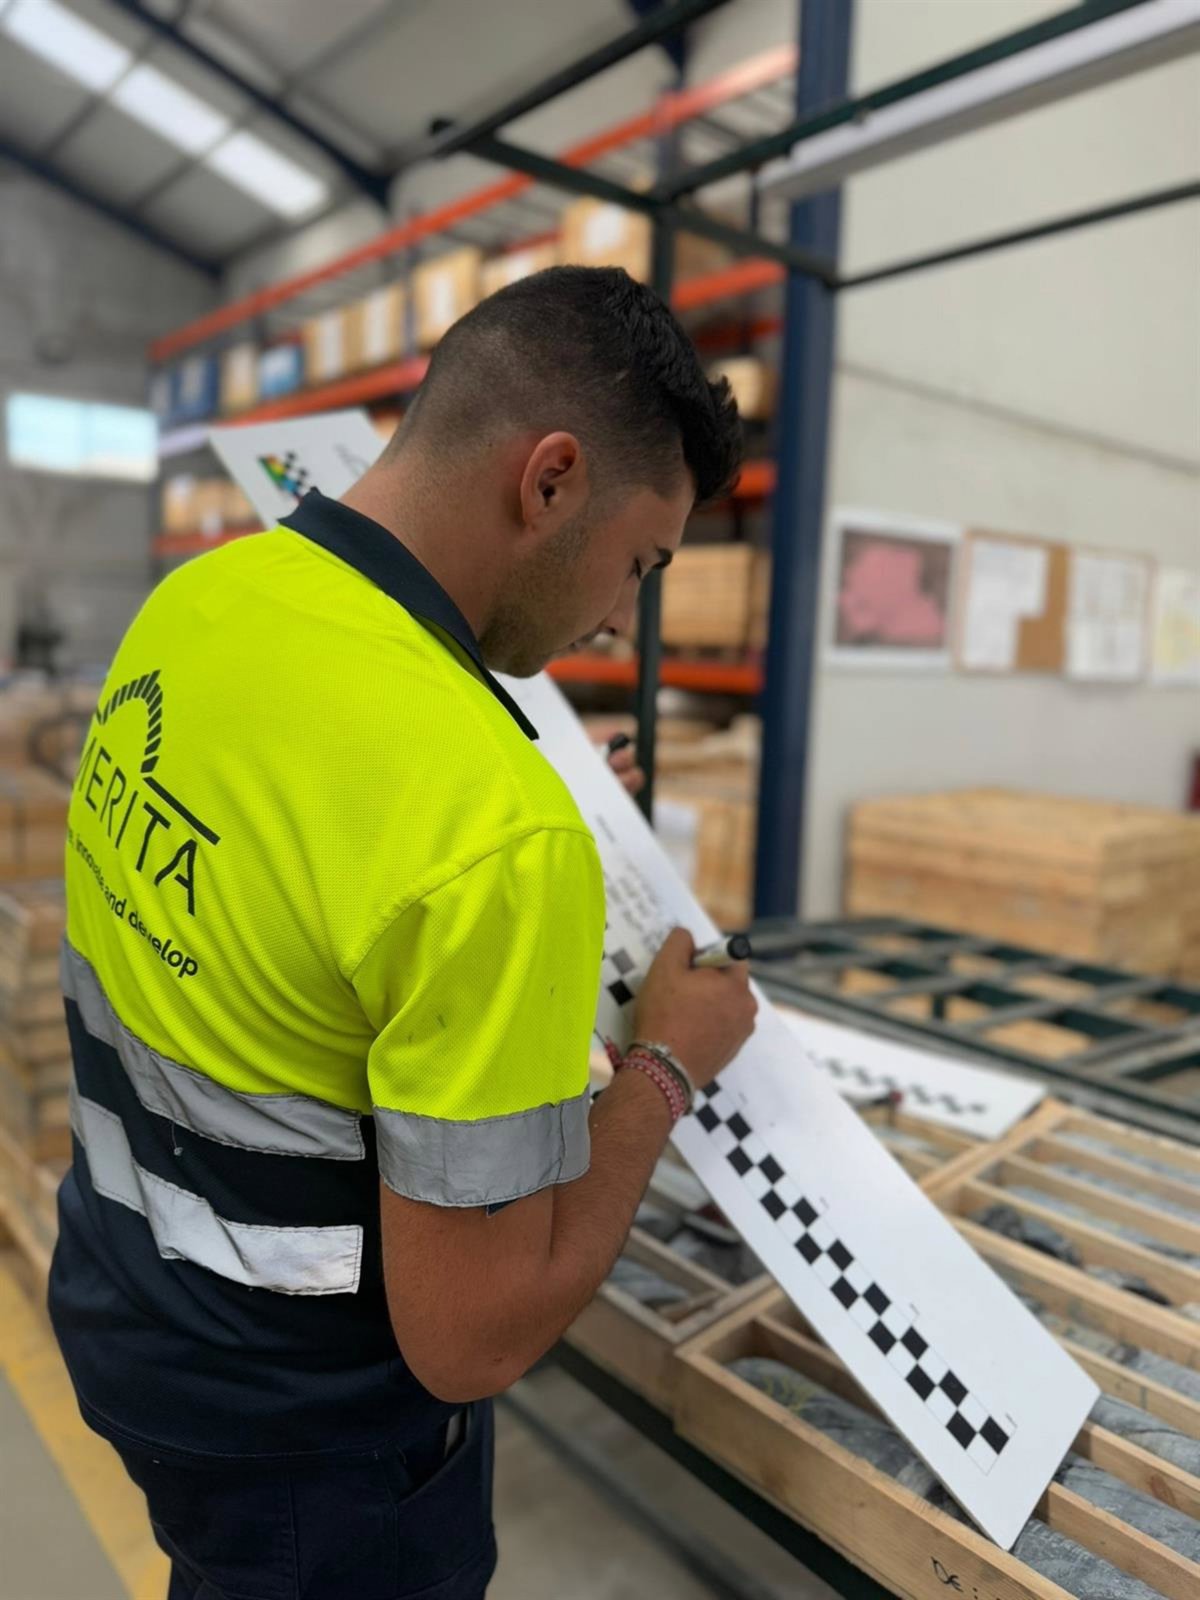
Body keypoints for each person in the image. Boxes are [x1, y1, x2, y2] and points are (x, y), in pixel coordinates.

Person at [50, 265, 756, 1600]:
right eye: (641, 562)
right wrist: (668, 1065)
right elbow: (471, 1341)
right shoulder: (491, 831)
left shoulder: (203, 600)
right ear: (552, 480)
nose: (625, 611)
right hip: (302, 1441)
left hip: (126, 1303)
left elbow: (298, 874)